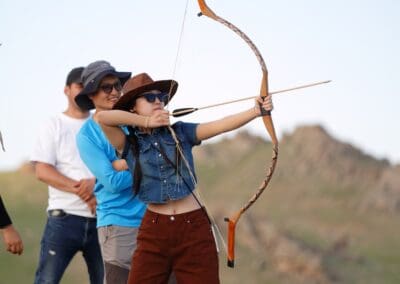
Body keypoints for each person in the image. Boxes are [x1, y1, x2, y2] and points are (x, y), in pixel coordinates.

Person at [96, 72, 274, 283]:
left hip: (193, 227)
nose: (158, 101)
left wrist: (256, 111)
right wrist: (146, 121)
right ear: (133, 107)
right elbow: (102, 118)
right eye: (150, 98)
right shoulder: (129, 144)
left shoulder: (180, 132)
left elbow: (220, 125)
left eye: (161, 97)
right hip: (154, 228)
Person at [75, 60, 147, 284]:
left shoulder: (133, 120)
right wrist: (145, 164)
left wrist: (124, 163)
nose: (115, 91)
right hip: (119, 223)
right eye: (106, 87)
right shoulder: (86, 135)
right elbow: (113, 182)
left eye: (117, 85)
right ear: (91, 96)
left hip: (153, 218)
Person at [30, 67, 103, 284]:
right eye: (79, 86)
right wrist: (87, 193)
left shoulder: (102, 123)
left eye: (88, 87)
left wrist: (96, 185)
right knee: (47, 281)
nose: (83, 92)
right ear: (66, 89)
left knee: (108, 280)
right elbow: (42, 170)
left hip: (102, 218)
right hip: (64, 218)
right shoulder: (53, 124)